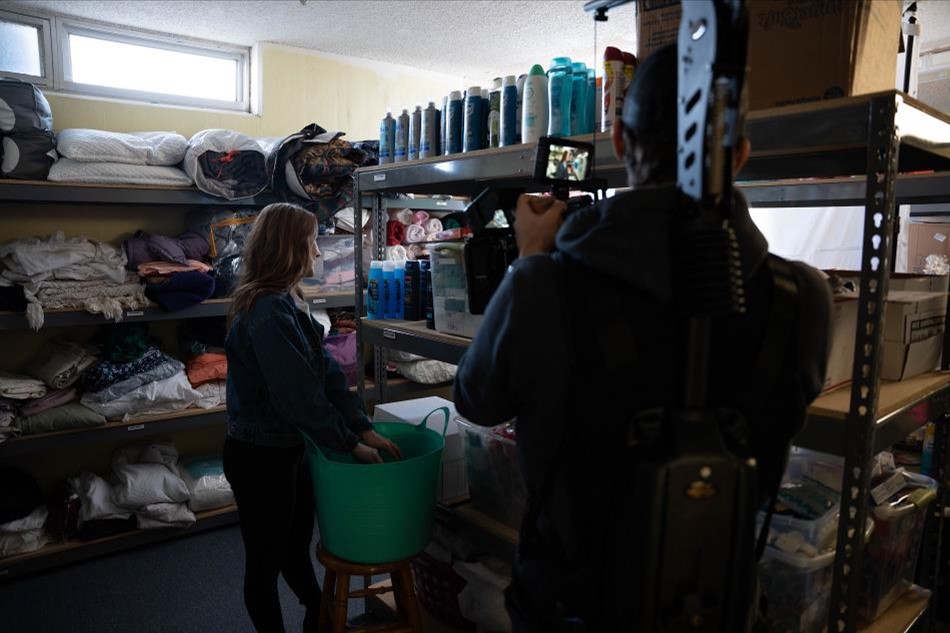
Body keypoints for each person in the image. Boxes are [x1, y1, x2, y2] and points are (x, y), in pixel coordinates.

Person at [454, 44, 832, 631]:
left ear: (622, 142)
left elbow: (476, 400)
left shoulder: (546, 287)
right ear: (740, 156)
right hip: (719, 607)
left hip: (572, 608)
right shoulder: (802, 296)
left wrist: (530, 257)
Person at [223, 203, 401, 633]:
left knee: (294, 550)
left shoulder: (289, 300)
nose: (319, 253)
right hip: (259, 456)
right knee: (265, 563)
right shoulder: (266, 311)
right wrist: (348, 442)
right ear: (289, 247)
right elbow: (299, 396)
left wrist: (362, 427)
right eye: (311, 242)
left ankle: (316, 616)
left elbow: (325, 374)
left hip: (290, 450)